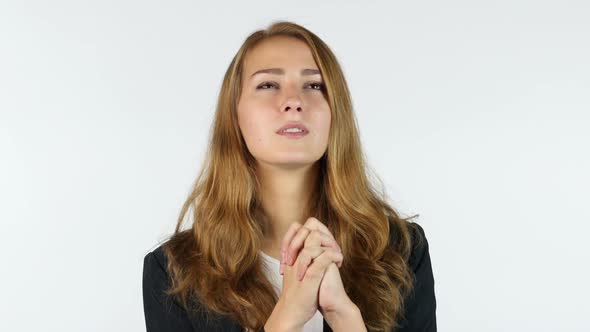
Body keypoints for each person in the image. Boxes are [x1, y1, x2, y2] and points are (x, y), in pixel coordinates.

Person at [142, 20, 436, 332]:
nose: (294, 101)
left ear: (336, 113)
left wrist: (344, 317)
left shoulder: (401, 253)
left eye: (314, 86)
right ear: (235, 115)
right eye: (268, 85)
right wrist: (287, 318)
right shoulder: (174, 273)